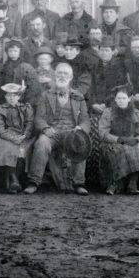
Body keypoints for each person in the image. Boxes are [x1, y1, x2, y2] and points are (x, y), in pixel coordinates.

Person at [24, 64, 91, 196]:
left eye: (66, 74)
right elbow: (39, 118)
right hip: (52, 132)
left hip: (71, 133)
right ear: (55, 75)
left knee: (81, 142)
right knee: (41, 143)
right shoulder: (45, 95)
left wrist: (80, 128)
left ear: (71, 77)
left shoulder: (78, 96)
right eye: (59, 73)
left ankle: (79, 183)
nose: (62, 76)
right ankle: (34, 182)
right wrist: (45, 128)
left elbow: (85, 120)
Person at [97, 85, 139, 195]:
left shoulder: (136, 113)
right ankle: (116, 182)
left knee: (135, 150)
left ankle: (133, 183)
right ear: (115, 99)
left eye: (123, 98)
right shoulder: (108, 112)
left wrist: (136, 139)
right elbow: (102, 133)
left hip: (131, 142)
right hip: (112, 142)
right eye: (118, 98)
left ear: (129, 99)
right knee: (120, 150)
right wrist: (118, 139)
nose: (121, 101)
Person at [0, 82, 33, 193]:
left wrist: (24, 135)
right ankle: (14, 181)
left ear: (19, 96)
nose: (11, 98)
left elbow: (29, 123)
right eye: (9, 95)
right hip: (8, 135)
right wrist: (12, 138)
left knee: (22, 151)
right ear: (5, 96)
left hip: (24, 136)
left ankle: (13, 181)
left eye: (14, 95)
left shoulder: (26, 107)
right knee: (8, 148)